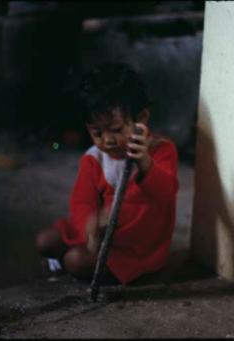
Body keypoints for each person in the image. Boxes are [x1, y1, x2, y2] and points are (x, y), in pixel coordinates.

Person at [35, 63, 178, 285]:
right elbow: (82, 202)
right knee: (44, 241)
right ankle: (73, 259)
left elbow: (166, 193)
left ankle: (70, 263)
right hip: (98, 235)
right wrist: (90, 227)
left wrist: (145, 162)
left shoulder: (159, 150)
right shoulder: (94, 158)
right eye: (97, 132)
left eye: (116, 129)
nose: (108, 140)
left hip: (134, 244)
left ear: (141, 118)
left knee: (75, 261)